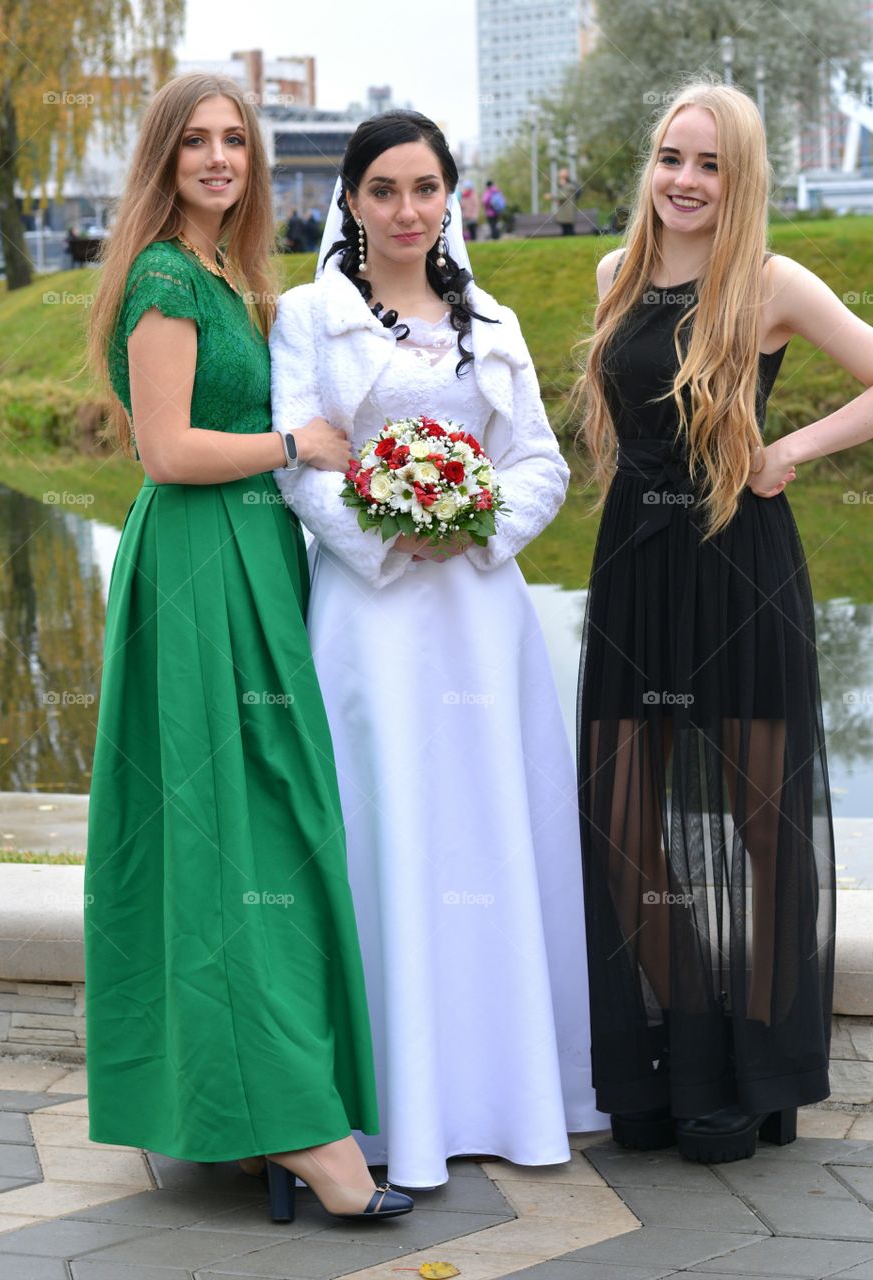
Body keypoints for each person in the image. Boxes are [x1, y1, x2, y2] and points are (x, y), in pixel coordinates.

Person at [84, 72, 412, 1223]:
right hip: (197, 568)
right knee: (232, 837)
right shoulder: (168, 276)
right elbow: (165, 448)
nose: (219, 157)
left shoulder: (232, 270)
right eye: (197, 142)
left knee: (256, 823)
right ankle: (304, 1134)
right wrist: (294, 443)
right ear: (165, 160)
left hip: (251, 563)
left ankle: (239, 1116)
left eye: (236, 140)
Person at [269, 109, 604, 1189]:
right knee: (383, 835)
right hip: (369, 621)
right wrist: (388, 529)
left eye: (426, 189)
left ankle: (497, 1090)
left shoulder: (492, 320)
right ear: (352, 202)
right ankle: (382, 1107)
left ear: (450, 196)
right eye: (384, 190)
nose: (408, 210)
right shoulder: (307, 315)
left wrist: (466, 518)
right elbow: (300, 464)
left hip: (477, 620)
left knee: (482, 841)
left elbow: (541, 465)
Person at [574, 80, 873, 1164]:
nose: (685, 181)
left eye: (708, 164)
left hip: (737, 570)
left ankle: (753, 1071)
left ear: (740, 177)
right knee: (623, 823)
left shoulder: (770, 281)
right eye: (670, 158)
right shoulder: (615, 273)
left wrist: (790, 451)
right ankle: (679, 1052)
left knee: (762, 827)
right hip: (633, 572)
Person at [549, 168, 578, 235]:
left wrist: (551, 196)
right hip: (564, 211)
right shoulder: (563, 187)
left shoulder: (569, 186)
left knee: (569, 228)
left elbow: (562, 196)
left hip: (568, 211)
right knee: (565, 228)